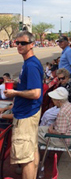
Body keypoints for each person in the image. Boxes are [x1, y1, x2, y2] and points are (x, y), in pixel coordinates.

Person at [4, 31, 43, 179]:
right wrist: (17, 84)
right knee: (31, 152)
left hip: (26, 115)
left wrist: (14, 93)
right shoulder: (29, 63)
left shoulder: (31, 65)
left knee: (26, 159)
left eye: (23, 43)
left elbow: (36, 93)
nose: (19, 45)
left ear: (32, 44)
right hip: (30, 113)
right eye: (17, 42)